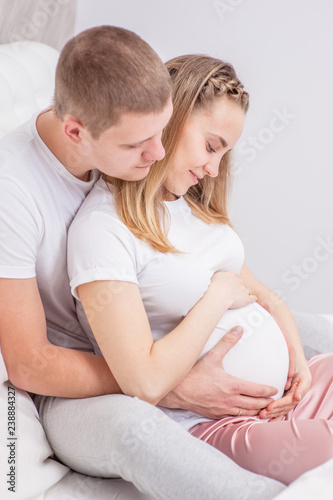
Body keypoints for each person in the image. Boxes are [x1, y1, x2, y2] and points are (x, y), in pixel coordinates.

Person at [0, 26, 285, 500]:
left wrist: (271, 308)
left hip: (154, 348)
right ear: (76, 132)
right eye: (139, 145)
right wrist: (166, 383)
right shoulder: (13, 193)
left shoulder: (122, 132)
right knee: (134, 429)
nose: (157, 155)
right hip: (76, 388)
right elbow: (30, 364)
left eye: (163, 132)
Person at [66, 53, 333, 486]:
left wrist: (300, 364)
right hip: (221, 421)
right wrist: (216, 298)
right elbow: (146, 380)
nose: (212, 167)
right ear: (171, 118)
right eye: (211, 146)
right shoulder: (103, 230)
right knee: (325, 455)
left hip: (294, 391)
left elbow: (265, 296)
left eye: (223, 154)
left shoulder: (189, 209)